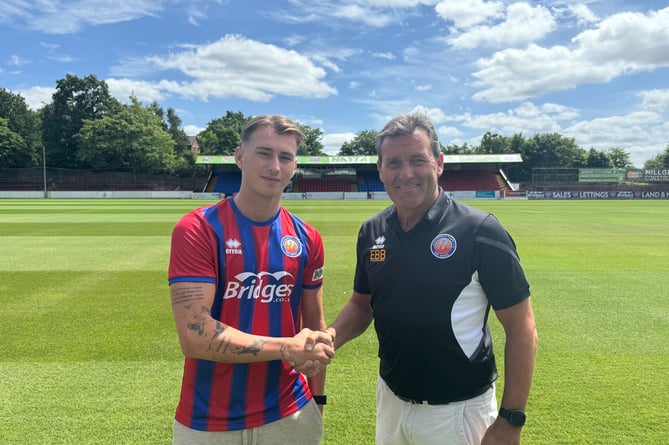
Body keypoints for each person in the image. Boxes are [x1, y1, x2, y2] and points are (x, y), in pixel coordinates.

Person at [326, 111, 538, 445]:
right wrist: (329, 338)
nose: (405, 173)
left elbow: (521, 326)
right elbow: (361, 305)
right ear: (380, 169)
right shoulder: (372, 231)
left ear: (439, 163)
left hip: (459, 412)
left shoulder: (481, 231)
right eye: (393, 162)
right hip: (390, 402)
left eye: (417, 160)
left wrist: (511, 419)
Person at [168, 114, 334, 445]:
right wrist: (287, 346)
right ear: (240, 157)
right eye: (264, 153)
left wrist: (318, 400)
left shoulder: (308, 238)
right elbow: (196, 335)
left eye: (285, 157)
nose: (275, 165)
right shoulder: (199, 229)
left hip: (291, 416)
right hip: (208, 421)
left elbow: (313, 324)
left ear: (294, 166)